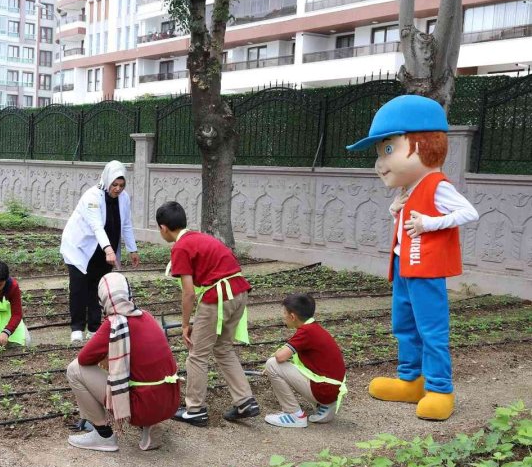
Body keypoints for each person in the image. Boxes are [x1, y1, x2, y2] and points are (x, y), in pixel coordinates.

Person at [346, 95, 478, 421]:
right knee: (404, 325)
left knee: (431, 330)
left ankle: (439, 389)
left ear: (422, 144)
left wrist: (428, 224)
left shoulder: (436, 185)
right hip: (403, 267)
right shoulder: (407, 190)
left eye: (388, 150)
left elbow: (468, 212)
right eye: (379, 153)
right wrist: (397, 213)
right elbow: (406, 228)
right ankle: (411, 381)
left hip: (426, 270)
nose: (380, 163)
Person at [156, 201, 258, 427]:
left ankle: (195, 409)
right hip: (239, 292)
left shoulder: (181, 247)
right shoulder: (200, 237)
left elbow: (189, 293)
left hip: (218, 296)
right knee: (223, 348)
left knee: (197, 354)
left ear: (163, 228)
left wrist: (185, 324)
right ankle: (245, 401)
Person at [66, 273, 180, 452]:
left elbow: (84, 359)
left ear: (102, 298)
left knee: (74, 369)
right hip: (170, 400)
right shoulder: (147, 316)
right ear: (129, 293)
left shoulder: (114, 324)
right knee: (142, 372)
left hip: (142, 405)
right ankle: (149, 425)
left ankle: (103, 435)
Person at [60, 160, 140, 344]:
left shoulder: (124, 198)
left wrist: (132, 248)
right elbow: (96, 226)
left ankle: (94, 327)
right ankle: (77, 328)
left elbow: (126, 223)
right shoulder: (92, 197)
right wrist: (109, 250)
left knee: (98, 287)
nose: (118, 189)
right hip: (79, 248)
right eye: (115, 185)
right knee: (79, 287)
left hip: (102, 250)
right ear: (107, 180)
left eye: (121, 185)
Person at [263, 294, 347, 428]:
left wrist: (273, 364)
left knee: (272, 364)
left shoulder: (306, 332)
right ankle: (325, 405)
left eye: (284, 314)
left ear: (292, 316)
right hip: (332, 388)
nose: (283, 317)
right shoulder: (314, 328)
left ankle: (294, 415)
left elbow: (280, 357)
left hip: (324, 390)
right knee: (276, 364)